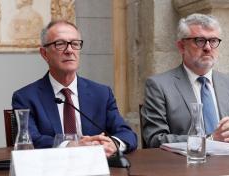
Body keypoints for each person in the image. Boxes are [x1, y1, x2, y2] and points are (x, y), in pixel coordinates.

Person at [11, 20, 137, 157]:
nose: (69, 50)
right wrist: (71, 145)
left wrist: (114, 144)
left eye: (75, 44)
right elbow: (30, 139)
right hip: (51, 171)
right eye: (60, 44)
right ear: (44, 54)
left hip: (97, 168)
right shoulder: (26, 97)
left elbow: (127, 134)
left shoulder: (101, 94)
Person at [141, 13, 229, 148]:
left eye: (213, 41)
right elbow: (155, 139)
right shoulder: (159, 85)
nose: (208, 47)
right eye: (200, 40)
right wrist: (210, 140)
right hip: (186, 165)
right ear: (181, 46)